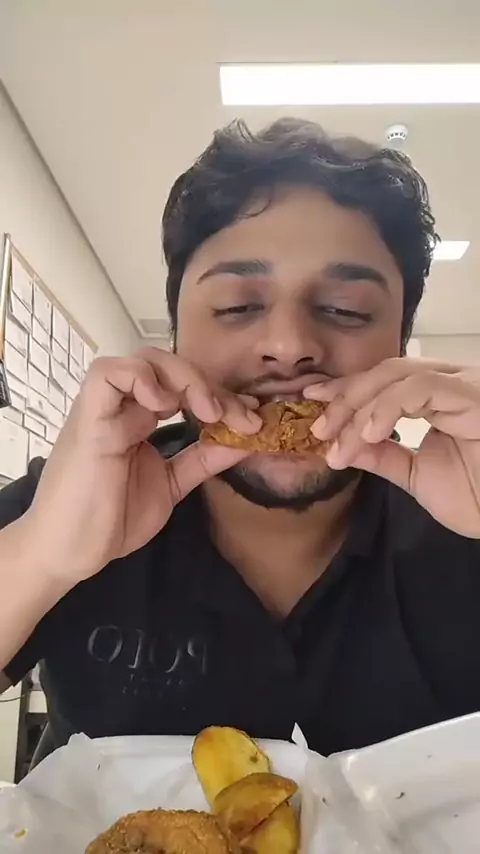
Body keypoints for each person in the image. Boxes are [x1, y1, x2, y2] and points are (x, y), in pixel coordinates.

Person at [1, 118, 479, 761]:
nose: (289, 346)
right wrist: (42, 556)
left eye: (346, 310)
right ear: (176, 338)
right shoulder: (73, 496)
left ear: (398, 346)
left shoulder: (463, 518)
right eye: (236, 306)